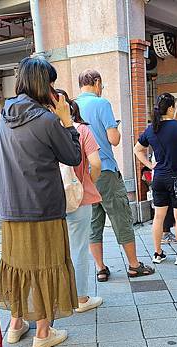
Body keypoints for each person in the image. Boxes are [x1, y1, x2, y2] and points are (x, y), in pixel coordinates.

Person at [0, 57, 82, 347]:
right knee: (46, 264)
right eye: (52, 83)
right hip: (42, 207)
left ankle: (16, 324)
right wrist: (68, 122)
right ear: (45, 85)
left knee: (18, 264)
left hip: (10, 207)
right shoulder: (46, 120)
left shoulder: (4, 115)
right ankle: (43, 331)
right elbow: (73, 156)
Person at [75, 69, 155, 281]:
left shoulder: (72, 106)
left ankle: (100, 268)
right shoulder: (102, 104)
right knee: (120, 216)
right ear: (97, 82)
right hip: (105, 170)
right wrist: (116, 128)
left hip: (83, 175)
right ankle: (134, 265)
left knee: (94, 222)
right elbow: (114, 139)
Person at [56, 89, 104, 313]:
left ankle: (58, 296)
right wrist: (88, 181)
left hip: (51, 200)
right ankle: (81, 298)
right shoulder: (82, 130)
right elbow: (96, 163)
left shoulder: (45, 130)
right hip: (79, 197)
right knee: (79, 247)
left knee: (56, 249)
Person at [133, 93, 177, 265]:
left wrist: (150, 165)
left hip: (158, 176)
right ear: (171, 108)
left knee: (158, 217)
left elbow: (137, 149)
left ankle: (158, 253)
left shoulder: (151, 128)